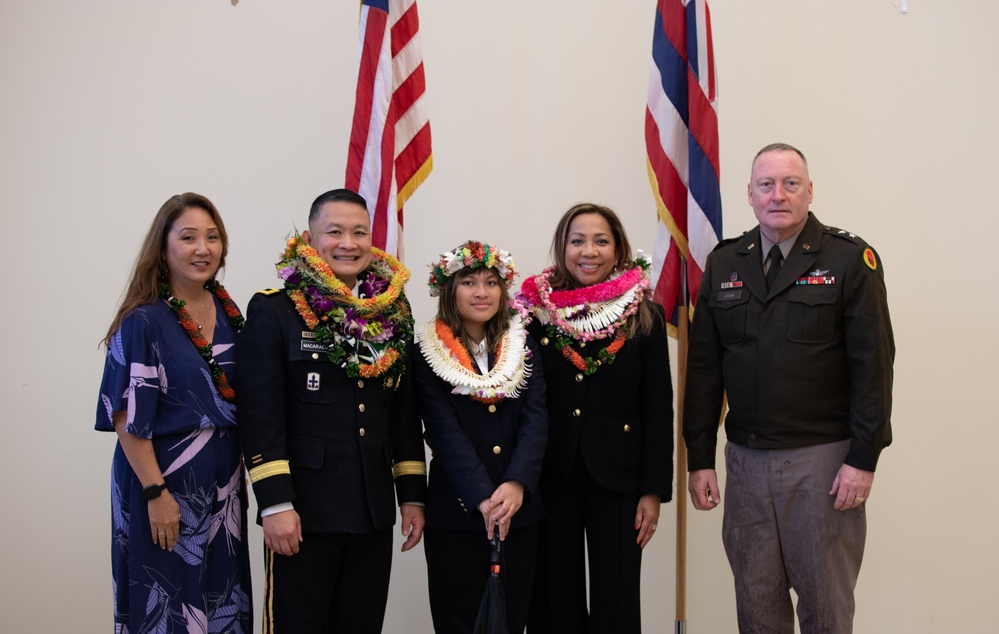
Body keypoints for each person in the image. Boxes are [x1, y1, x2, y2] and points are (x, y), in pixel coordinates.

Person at [683, 143, 895, 634]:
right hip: (746, 465)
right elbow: (705, 370)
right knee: (757, 610)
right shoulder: (723, 263)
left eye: (790, 184)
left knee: (825, 610)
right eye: (766, 185)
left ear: (809, 191)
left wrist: (864, 458)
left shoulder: (848, 260)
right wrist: (699, 457)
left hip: (822, 464)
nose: (778, 195)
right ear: (751, 195)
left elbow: (874, 368)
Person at [235, 188, 427, 634]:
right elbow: (261, 415)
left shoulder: (392, 311)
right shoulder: (275, 310)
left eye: (359, 232)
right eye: (334, 231)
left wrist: (412, 495)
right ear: (309, 238)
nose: (348, 243)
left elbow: (401, 412)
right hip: (302, 513)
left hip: (371, 509)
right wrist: (275, 504)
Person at [95, 192, 252, 633]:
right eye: (188, 237)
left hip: (222, 491)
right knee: (167, 605)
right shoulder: (143, 320)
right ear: (163, 247)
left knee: (221, 601)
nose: (202, 249)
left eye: (212, 237)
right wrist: (154, 493)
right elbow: (124, 415)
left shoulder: (228, 312)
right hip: (161, 486)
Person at [520, 204, 674, 633]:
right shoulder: (535, 315)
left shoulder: (645, 313)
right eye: (578, 240)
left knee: (618, 601)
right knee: (553, 602)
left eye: (601, 240)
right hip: (551, 475)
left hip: (622, 480)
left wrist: (654, 490)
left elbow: (658, 406)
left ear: (618, 248)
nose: (589, 251)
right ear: (562, 247)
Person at [414, 240, 548, 634]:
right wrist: (482, 497)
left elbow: (536, 419)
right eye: (469, 282)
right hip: (457, 514)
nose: (481, 292)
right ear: (449, 290)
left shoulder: (524, 343)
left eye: (491, 282)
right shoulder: (425, 351)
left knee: (512, 619)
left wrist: (517, 482)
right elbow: (443, 431)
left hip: (519, 513)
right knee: (458, 619)